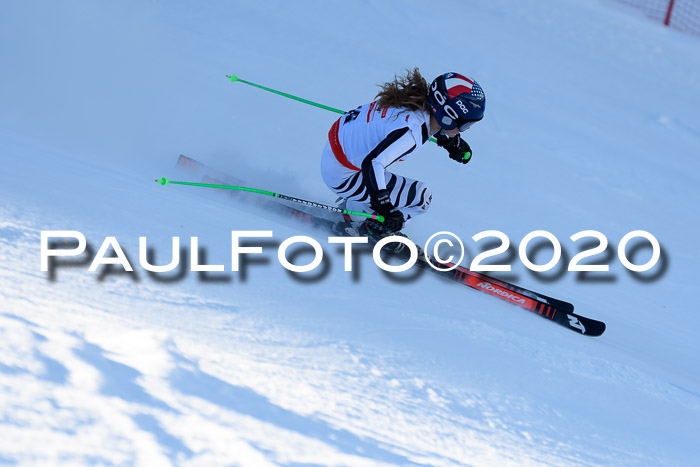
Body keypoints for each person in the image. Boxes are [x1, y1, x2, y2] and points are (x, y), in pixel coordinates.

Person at [320, 68, 485, 243]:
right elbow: (373, 163)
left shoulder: (414, 105)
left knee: (382, 181)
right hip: (343, 176)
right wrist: (385, 207)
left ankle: (355, 210)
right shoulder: (411, 134)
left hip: (336, 156)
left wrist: (447, 140)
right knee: (422, 198)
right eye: (465, 125)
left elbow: (412, 125)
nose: (465, 130)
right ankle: (375, 229)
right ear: (449, 117)